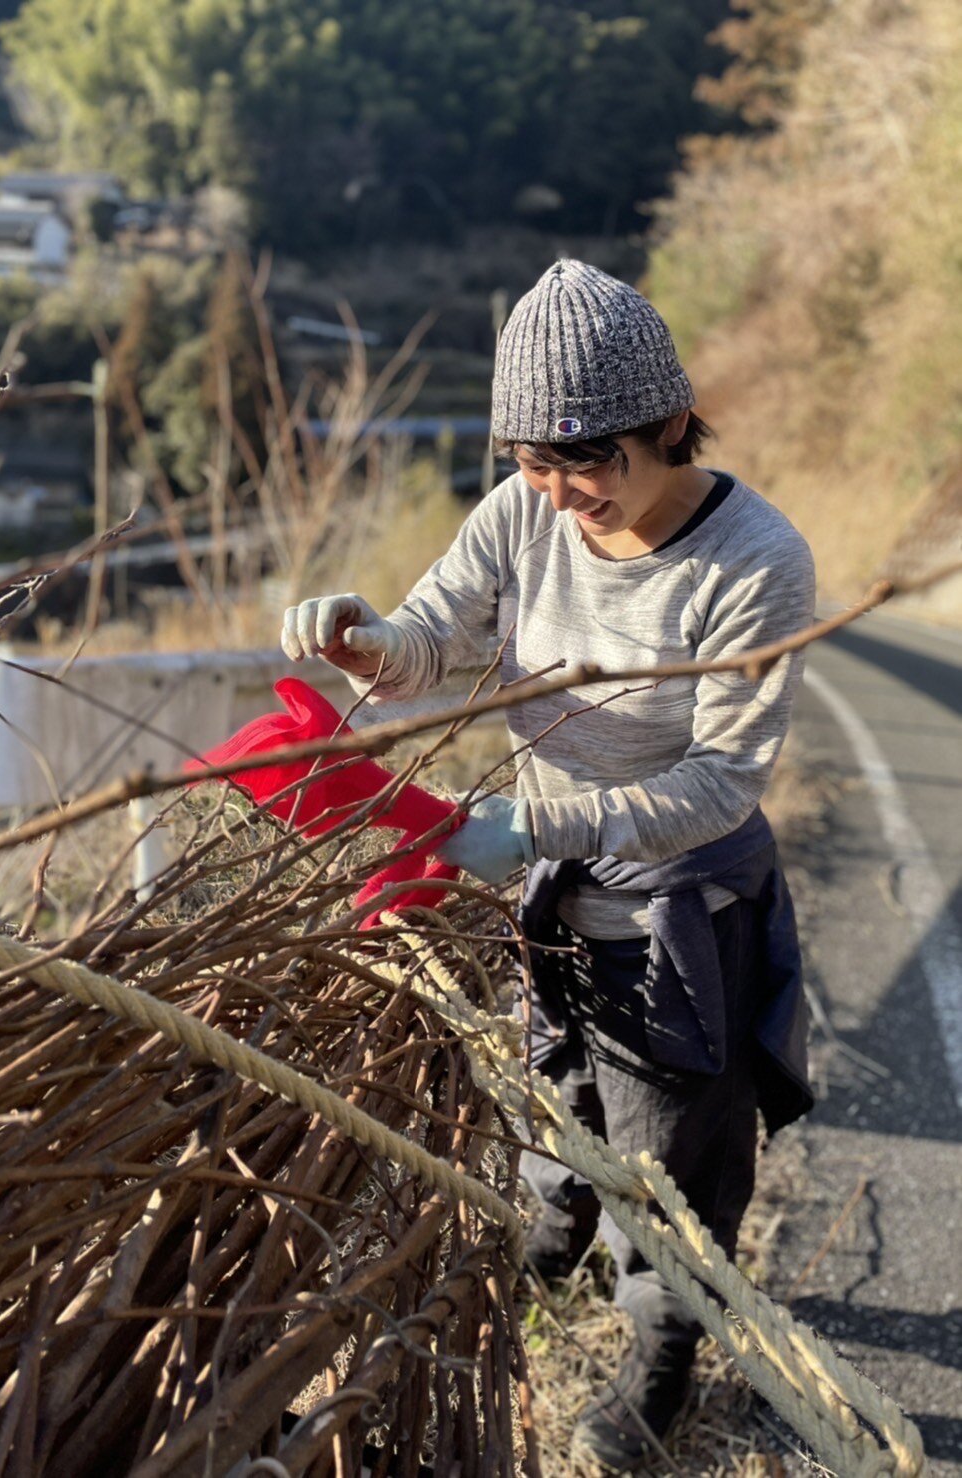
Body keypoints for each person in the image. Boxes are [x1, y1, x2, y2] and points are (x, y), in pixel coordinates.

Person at [281, 260, 816, 1469]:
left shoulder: (754, 561)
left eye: (591, 463)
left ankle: (661, 1356)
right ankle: (552, 1228)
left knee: (667, 1159)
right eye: (534, 461)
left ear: (669, 423)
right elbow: (432, 636)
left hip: (682, 904)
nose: (566, 494)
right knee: (554, 1085)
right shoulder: (523, 514)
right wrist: (366, 641)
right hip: (554, 882)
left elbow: (719, 783)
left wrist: (532, 827)